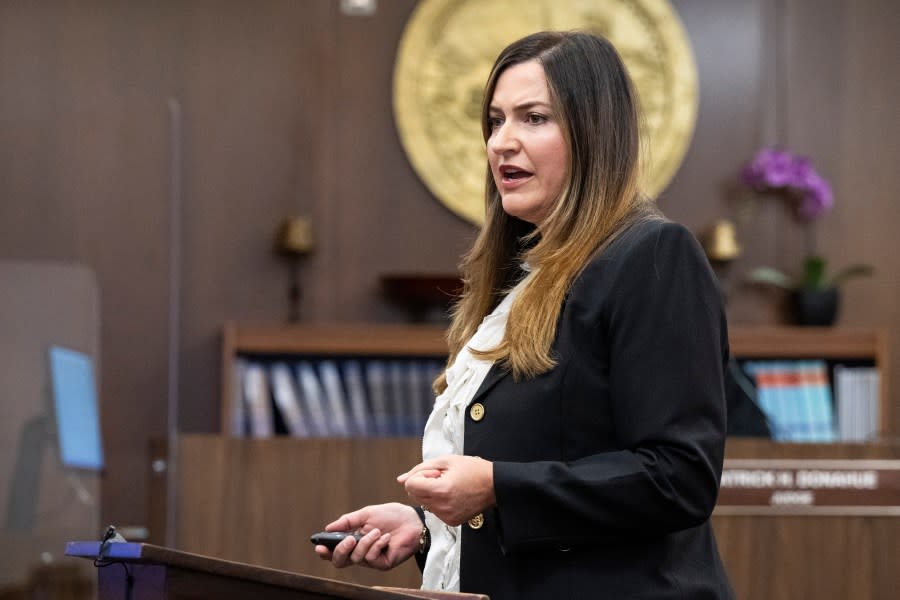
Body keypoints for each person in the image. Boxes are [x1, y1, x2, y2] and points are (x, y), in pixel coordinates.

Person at [315, 30, 735, 599]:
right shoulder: (518, 282)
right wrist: (429, 532)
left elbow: (678, 477)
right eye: (494, 121)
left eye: (533, 118)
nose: (501, 143)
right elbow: (555, 473)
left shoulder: (652, 257)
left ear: (593, 136)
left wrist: (496, 488)